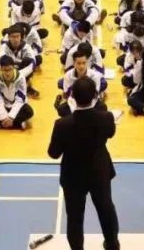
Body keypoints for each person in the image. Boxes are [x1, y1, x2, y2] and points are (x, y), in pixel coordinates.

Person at [47, 76, 120, 250]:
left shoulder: (62, 124)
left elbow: (53, 153)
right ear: (95, 95)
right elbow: (110, 133)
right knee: (106, 209)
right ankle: (112, 245)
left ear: (71, 96)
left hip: (73, 177)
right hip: (99, 172)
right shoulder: (106, 118)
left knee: (74, 218)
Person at [0, 55, 34, 130]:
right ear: (0, 69)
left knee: (29, 111)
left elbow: (20, 100)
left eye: (10, 70)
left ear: (13, 68)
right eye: (4, 70)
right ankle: (16, 124)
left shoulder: (21, 78)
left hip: (16, 105)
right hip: (3, 105)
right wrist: (3, 117)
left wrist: (11, 117)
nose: (7, 73)